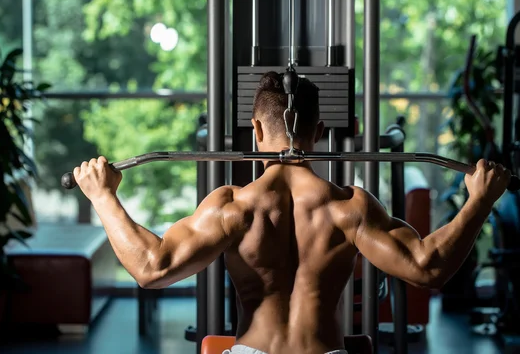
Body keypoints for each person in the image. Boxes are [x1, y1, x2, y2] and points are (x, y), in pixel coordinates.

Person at [73, 71, 511, 354]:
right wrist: (480, 200)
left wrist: (103, 196)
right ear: (319, 132)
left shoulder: (233, 207)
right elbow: (426, 267)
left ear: (256, 130)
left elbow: (152, 267)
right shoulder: (349, 207)